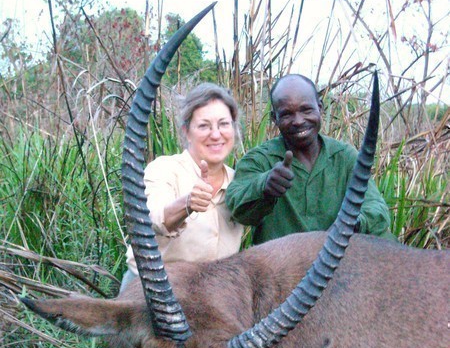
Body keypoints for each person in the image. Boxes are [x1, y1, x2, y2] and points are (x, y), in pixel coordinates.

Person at [225, 74, 395, 245]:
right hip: (280, 266)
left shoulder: (344, 156)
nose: (298, 121)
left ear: (320, 108)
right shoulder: (259, 160)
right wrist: (264, 186)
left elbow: (376, 210)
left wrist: (351, 225)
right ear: (274, 119)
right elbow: (236, 206)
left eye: (306, 110)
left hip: (337, 263)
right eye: (286, 114)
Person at [122, 83, 244, 291]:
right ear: (187, 132)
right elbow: (154, 216)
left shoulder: (239, 181)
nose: (216, 135)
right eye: (204, 126)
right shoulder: (164, 169)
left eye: (224, 124)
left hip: (213, 293)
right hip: (151, 289)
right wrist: (187, 204)